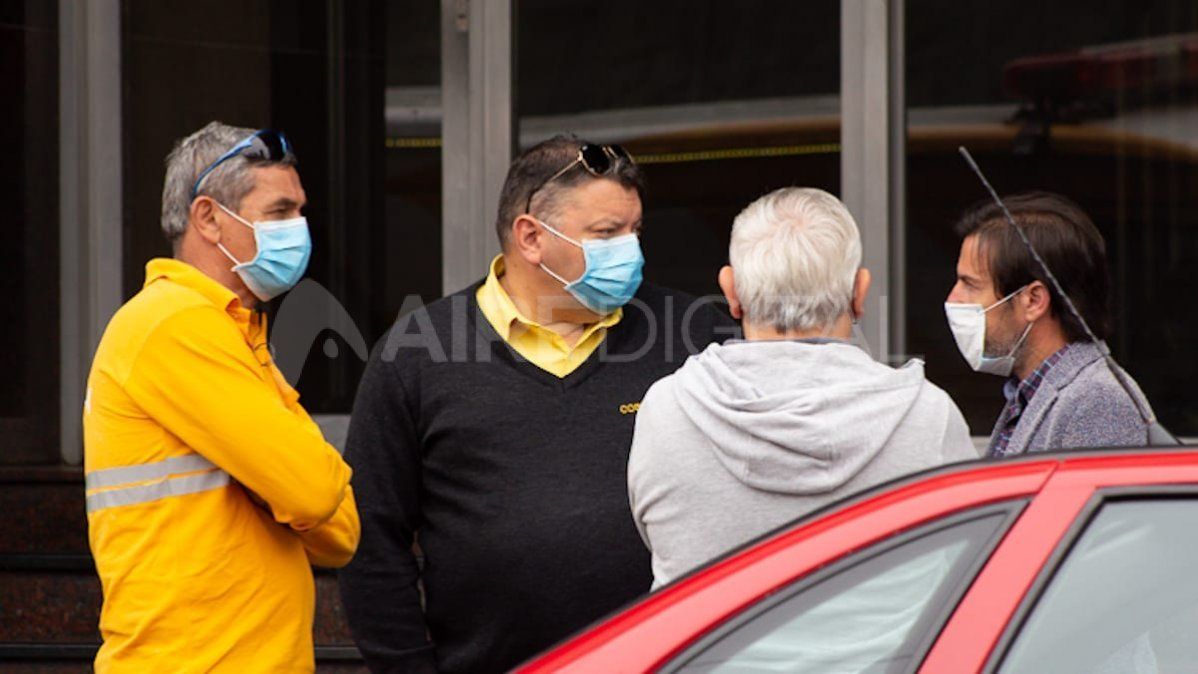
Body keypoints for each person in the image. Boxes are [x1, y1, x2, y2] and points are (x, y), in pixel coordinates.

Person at [339, 136, 738, 673]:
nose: (631, 251)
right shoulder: (416, 354)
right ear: (530, 237)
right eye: (606, 233)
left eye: (634, 230)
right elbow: (371, 541)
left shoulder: (695, 335)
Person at [83, 121, 360, 672]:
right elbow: (311, 493)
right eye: (280, 212)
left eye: (300, 212)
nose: (299, 229)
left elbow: (342, 535)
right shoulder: (174, 324)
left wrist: (282, 487)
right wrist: (288, 489)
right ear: (208, 218)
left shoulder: (232, 330)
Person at [628, 187, 978, 589]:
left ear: (732, 292)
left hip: (712, 654)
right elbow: (965, 562)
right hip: (896, 655)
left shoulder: (668, 409)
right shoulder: (928, 416)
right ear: (859, 294)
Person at [945, 191, 1155, 456]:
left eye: (970, 284)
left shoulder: (1097, 403)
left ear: (1033, 300)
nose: (954, 298)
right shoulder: (1029, 393)